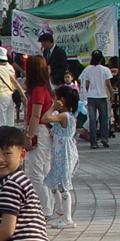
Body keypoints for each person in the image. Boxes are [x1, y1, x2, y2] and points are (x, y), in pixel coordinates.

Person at [42, 85, 80, 228]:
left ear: (61, 100)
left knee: (64, 185)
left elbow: (45, 118)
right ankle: (61, 210)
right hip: (60, 152)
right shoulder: (65, 116)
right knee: (53, 181)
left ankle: (67, 218)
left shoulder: (64, 115)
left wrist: (53, 107)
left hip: (64, 153)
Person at [23, 56, 54, 218]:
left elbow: (36, 116)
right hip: (44, 131)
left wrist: (28, 135)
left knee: (34, 171)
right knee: (44, 169)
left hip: (39, 131)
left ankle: (44, 207)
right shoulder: (45, 88)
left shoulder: (38, 90)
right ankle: (49, 206)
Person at [80, 50, 113, 149]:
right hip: (102, 96)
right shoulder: (105, 69)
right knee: (104, 118)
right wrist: (111, 94)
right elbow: (108, 84)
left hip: (91, 97)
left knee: (92, 120)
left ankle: (93, 142)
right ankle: (104, 137)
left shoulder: (88, 69)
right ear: (101, 59)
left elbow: (86, 84)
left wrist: (90, 91)